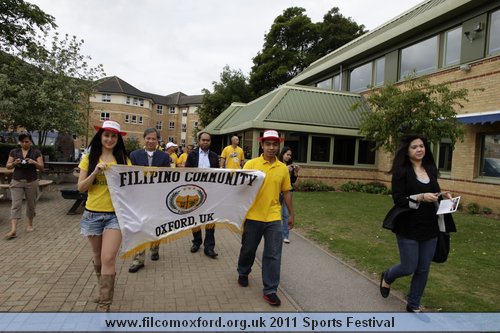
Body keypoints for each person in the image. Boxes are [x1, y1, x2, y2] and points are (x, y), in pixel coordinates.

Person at [379, 134, 456, 312]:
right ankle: (388, 276)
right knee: (408, 266)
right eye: (415, 147)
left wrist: (443, 196)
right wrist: (420, 197)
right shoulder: (401, 171)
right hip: (408, 226)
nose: (419, 149)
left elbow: (434, 193)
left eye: (421, 146)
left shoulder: (429, 168)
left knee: (423, 269)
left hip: (430, 227)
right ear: (407, 150)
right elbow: (398, 200)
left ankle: (413, 304)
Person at [77, 120, 130, 312]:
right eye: (106, 135)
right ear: (100, 136)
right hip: (92, 214)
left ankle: (104, 305)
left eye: (113, 136)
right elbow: (81, 187)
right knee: (98, 258)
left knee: (108, 258)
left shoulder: (124, 160)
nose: (109, 139)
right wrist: (95, 172)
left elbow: (130, 189)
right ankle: (102, 290)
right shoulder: (89, 158)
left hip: (115, 216)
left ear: (118, 139)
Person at [237, 130, 294, 306]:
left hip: (274, 217)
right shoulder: (251, 165)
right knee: (248, 249)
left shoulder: (283, 168)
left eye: (274, 144)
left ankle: (270, 290)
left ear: (278, 146)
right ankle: (243, 271)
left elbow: (286, 192)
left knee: (273, 254)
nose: (271, 147)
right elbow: (239, 189)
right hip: (253, 216)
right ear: (261, 145)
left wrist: (291, 214)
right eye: (268, 144)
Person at [128, 128, 171, 273]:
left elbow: (167, 177)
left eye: (154, 139)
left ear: (157, 140)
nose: (151, 141)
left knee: (155, 224)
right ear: (144, 139)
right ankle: (138, 259)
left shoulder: (164, 157)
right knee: (139, 226)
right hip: (139, 198)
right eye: (148, 138)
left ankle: (155, 247)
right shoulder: (134, 155)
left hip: (157, 197)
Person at [185, 131, 220, 258]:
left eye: (208, 140)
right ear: (199, 141)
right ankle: (196, 241)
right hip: (194, 192)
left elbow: (218, 175)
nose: (205, 142)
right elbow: (186, 173)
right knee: (194, 218)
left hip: (210, 193)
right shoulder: (192, 155)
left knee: (210, 219)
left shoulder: (215, 156)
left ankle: (209, 247)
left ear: (210, 142)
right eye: (203, 140)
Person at [4, 133, 44, 239]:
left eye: (27, 141)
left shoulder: (36, 152)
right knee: (16, 204)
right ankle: (13, 230)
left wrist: (33, 162)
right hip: (17, 180)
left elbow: (41, 167)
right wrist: (14, 163)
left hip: (31, 180)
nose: (25, 143)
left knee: (31, 204)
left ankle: (30, 224)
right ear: (20, 142)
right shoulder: (14, 152)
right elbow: (8, 166)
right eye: (22, 142)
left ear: (30, 141)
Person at [277, 146, 299, 243]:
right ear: (283, 154)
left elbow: (292, 181)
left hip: (287, 193)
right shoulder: (278, 164)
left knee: (286, 214)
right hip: (277, 192)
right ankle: (274, 234)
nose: (289, 157)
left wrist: (296, 172)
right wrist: (285, 169)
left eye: (290, 155)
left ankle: (285, 236)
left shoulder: (290, 166)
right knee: (276, 214)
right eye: (287, 154)